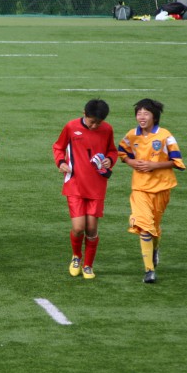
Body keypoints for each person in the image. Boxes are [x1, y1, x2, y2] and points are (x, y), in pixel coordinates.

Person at [118, 99, 185, 284]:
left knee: (154, 227)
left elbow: (177, 162)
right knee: (144, 226)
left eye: (145, 113)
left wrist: (154, 165)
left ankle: (154, 250)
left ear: (154, 116)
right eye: (139, 113)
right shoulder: (132, 135)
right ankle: (149, 270)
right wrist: (132, 163)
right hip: (139, 188)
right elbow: (122, 152)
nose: (141, 116)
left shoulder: (165, 136)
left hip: (162, 188)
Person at [52, 99, 118, 280]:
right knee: (78, 227)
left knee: (91, 228)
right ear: (84, 113)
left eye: (99, 122)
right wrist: (61, 162)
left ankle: (88, 265)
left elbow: (113, 150)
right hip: (75, 184)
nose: (95, 125)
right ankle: (76, 257)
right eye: (92, 121)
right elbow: (58, 147)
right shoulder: (71, 127)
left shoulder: (107, 130)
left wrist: (109, 161)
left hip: (97, 186)